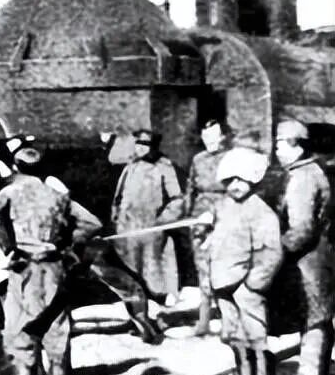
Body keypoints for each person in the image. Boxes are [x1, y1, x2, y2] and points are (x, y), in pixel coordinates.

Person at [0, 137, 102, 375]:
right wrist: (66, 245)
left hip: (24, 269)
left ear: (15, 166)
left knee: (21, 332)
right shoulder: (58, 195)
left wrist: (9, 247)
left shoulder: (9, 192)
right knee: (56, 330)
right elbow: (92, 223)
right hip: (54, 269)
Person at [202, 146, 283, 375]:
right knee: (234, 336)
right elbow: (218, 240)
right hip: (223, 283)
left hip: (246, 288)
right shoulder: (225, 207)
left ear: (253, 179)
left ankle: (262, 370)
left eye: (241, 179)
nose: (234, 185)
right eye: (229, 180)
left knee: (255, 335)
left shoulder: (260, 211)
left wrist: (252, 285)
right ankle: (243, 370)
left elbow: (270, 252)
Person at [273, 120, 334, 375]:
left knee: (313, 320)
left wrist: (275, 250)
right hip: (320, 256)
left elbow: (302, 229)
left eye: (280, 145)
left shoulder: (303, 178)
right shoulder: (311, 171)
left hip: (307, 261)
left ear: (297, 146)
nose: (277, 151)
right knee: (318, 318)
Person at [110, 129, 185, 308]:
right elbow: (118, 197)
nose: (141, 148)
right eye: (138, 144)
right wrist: (117, 217)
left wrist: (162, 222)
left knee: (154, 274)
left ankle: (160, 308)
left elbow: (177, 200)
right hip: (129, 231)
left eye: (145, 144)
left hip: (152, 231)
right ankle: (137, 312)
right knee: (131, 274)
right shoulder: (131, 166)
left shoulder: (164, 166)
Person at [186, 120, 231, 336]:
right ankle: (203, 321)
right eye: (206, 137)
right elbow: (190, 189)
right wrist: (190, 215)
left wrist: (217, 214)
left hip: (224, 219)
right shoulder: (198, 159)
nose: (210, 141)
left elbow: (236, 192)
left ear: (223, 137)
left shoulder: (231, 158)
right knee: (202, 270)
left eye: (214, 136)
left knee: (224, 269)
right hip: (200, 220)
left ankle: (228, 322)